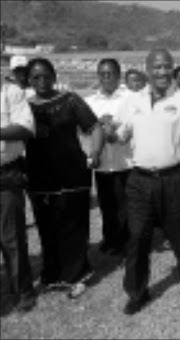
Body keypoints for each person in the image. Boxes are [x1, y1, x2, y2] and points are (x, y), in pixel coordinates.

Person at [115, 48, 180, 315]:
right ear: (147, 69)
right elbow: (121, 136)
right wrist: (111, 131)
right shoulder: (131, 100)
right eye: (156, 67)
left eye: (167, 66)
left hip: (175, 177)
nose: (162, 72)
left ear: (172, 68)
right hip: (139, 179)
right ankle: (136, 291)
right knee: (137, 237)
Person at [24, 58, 105, 299]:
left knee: (73, 225)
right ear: (29, 80)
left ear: (55, 76)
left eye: (46, 76)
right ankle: (52, 274)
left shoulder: (70, 100)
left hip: (72, 173)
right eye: (36, 77)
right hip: (39, 176)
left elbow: (95, 128)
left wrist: (95, 153)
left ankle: (76, 275)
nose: (42, 81)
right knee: (47, 226)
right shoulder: (24, 106)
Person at [85, 59, 131, 256]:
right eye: (102, 74)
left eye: (110, 73)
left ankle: (125, 240)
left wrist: (115, 128)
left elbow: (135, 125)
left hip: (126, 160)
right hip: (103, 162)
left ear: (118, 75)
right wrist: (98, 127)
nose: (106, 78)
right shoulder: (90, 102)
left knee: (125, 204)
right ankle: (110, 237)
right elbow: (84, 129)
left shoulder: (130, 98)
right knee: (106, 203)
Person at [0, 82, 37, 312]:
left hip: (5, 175)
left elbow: (25, 128)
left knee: (11, 237)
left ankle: (23, 289)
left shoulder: (10, 92)